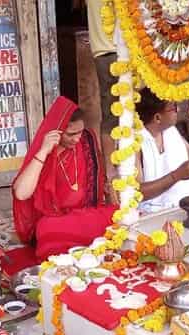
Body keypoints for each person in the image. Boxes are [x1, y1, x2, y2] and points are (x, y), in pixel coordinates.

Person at [13, 97, 116, 260]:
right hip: (57, 220)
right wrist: (43, 151)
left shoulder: (87, 140)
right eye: (71, 134)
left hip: (86, 215)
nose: (77, 139)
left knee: (118, 215)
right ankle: (86, 245)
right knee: (47, 230)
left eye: (80, 132)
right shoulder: (46, 151)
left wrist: (109, 195)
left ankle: (79, 245)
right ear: (57, 131)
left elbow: (100, 186)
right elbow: (21, 193)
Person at [136, 88, 189, 213]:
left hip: (185, 205)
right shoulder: (134, 143)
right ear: (157, 117)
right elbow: (137, 192)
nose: (178, 110)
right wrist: (176, 176)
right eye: (174, 107)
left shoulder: (170, 131)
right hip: (151, 215)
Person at [86, 0, 119, 201]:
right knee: (115, 115)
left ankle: (110, 170)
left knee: (112, 114)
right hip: (114, 50)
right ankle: (110, 172)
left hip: (105, 50)